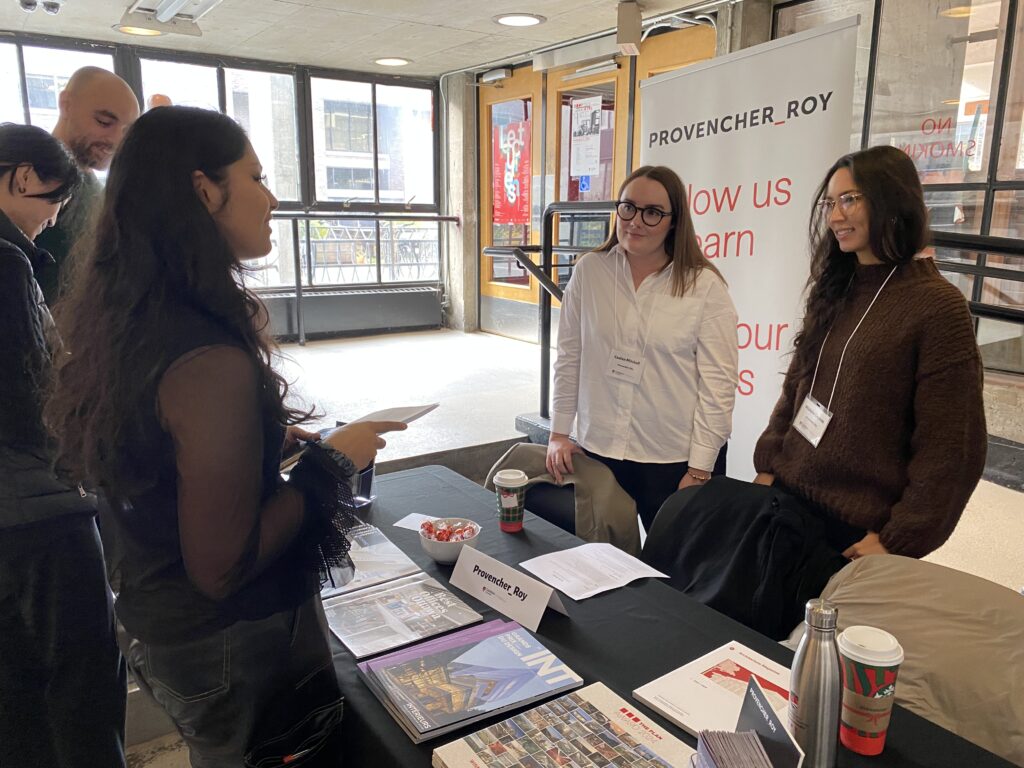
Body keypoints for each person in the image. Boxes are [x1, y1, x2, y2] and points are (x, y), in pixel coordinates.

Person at [45, 106, 404, 767]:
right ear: (204, 190)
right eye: (257, 177)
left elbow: (164, 453)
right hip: (227, 642)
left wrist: (263, 440)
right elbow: (222, 566)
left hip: (162, 624)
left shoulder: (136, 319)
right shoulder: (208, 356)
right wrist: (331, 463)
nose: (272, 199)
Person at [753, 145, 986, 559]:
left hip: (856, 532)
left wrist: (898, 538)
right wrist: (769, 463)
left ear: (892, 201)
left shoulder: (939, 307)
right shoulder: (836, 286)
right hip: (786, 502)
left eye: (849, 199)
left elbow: (952, 447)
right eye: (830, 203)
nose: (834, 216)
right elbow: (797, 386)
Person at [0, 123, 127, 767]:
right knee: (83, 685)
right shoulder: (7, 260)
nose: (53, 221)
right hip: (36, 514)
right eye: (56, 203)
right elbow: (32, 397)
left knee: (17, 697)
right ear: (24, 178)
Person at [546, 165, 739, 531]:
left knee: (674, 565)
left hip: (673, 458)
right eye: (628, 207)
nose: (635, 221)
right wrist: (558, 433)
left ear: (674, 221)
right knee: (598, 559)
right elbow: (569, 358)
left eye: (652, 212)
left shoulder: (704, 287)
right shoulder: (590, 272)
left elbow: (719, 387)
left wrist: (700, 470)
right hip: (600, 448)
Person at [36, 65, 140, 303]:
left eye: (125, 131)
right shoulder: (24, 176)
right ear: (66, 105)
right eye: (104, 122)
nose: (116, 140)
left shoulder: (103, 195)